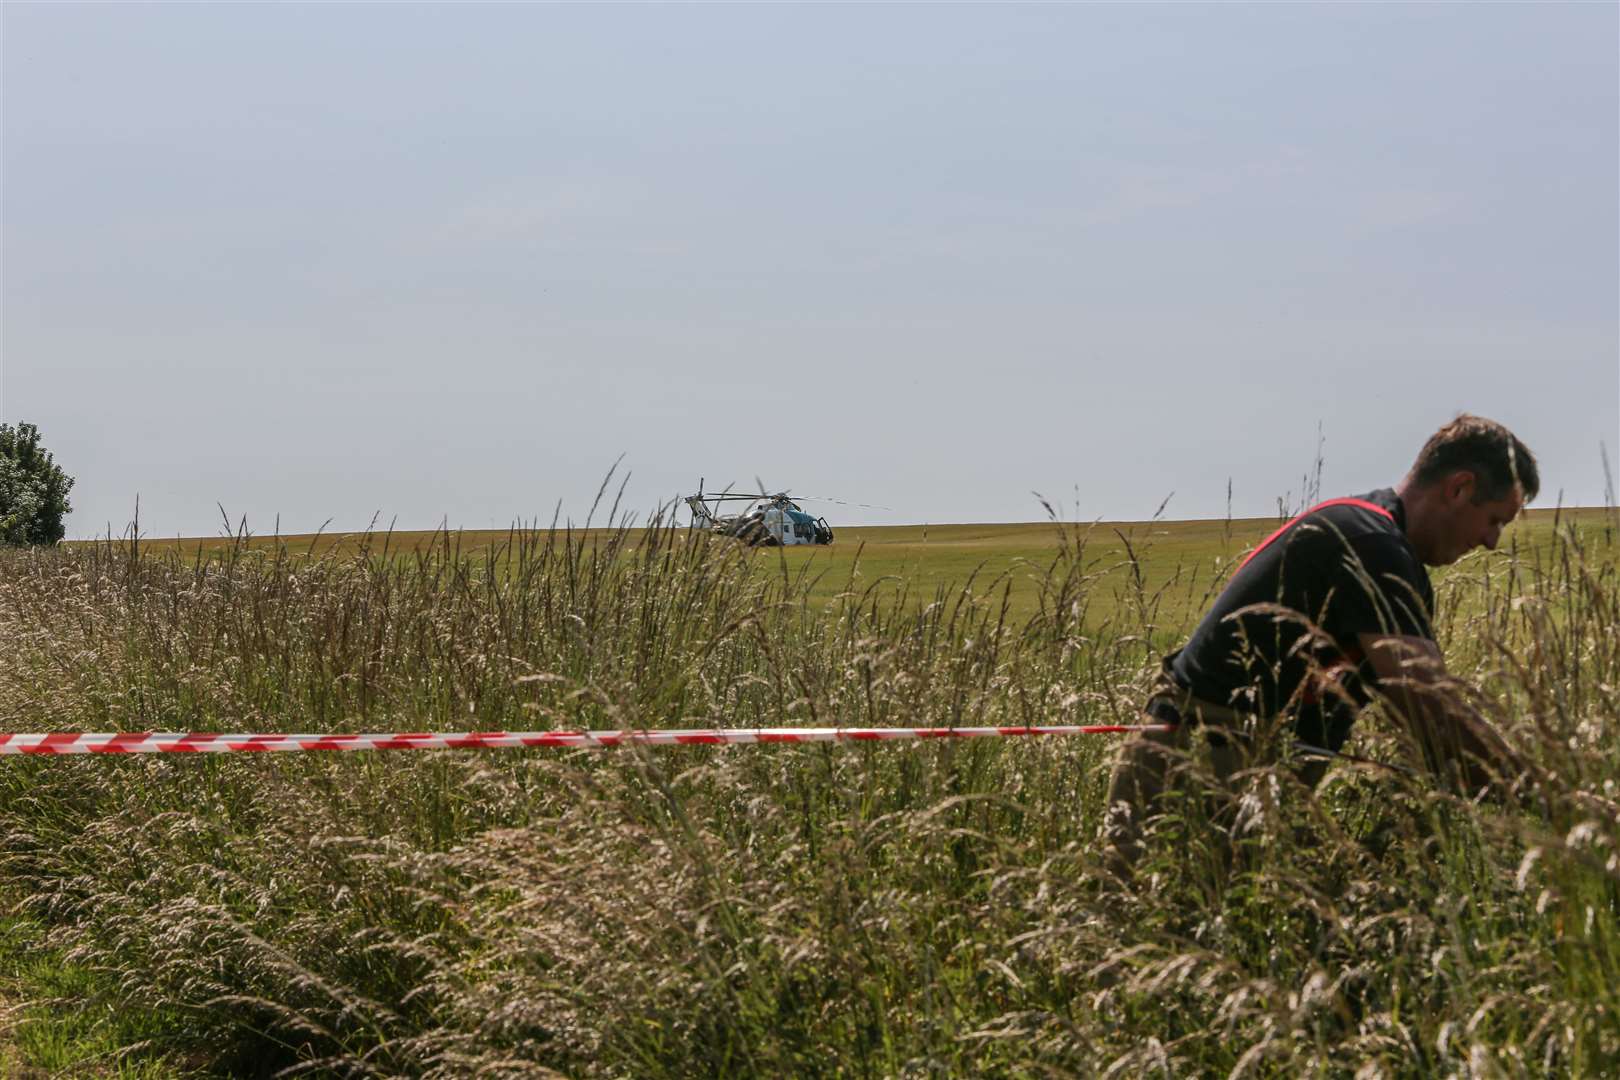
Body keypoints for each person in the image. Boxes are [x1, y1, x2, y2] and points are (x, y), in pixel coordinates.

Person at [1102, 414, 1541, 873]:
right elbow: (1431, 705)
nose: (1492, 542)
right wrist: (1552, 798)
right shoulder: (1370, 543)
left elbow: (1427, 729)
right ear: (1460, 488)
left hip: (1237, 779)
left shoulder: (1383, 546)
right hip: (1198, 773)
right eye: (1494, 520)